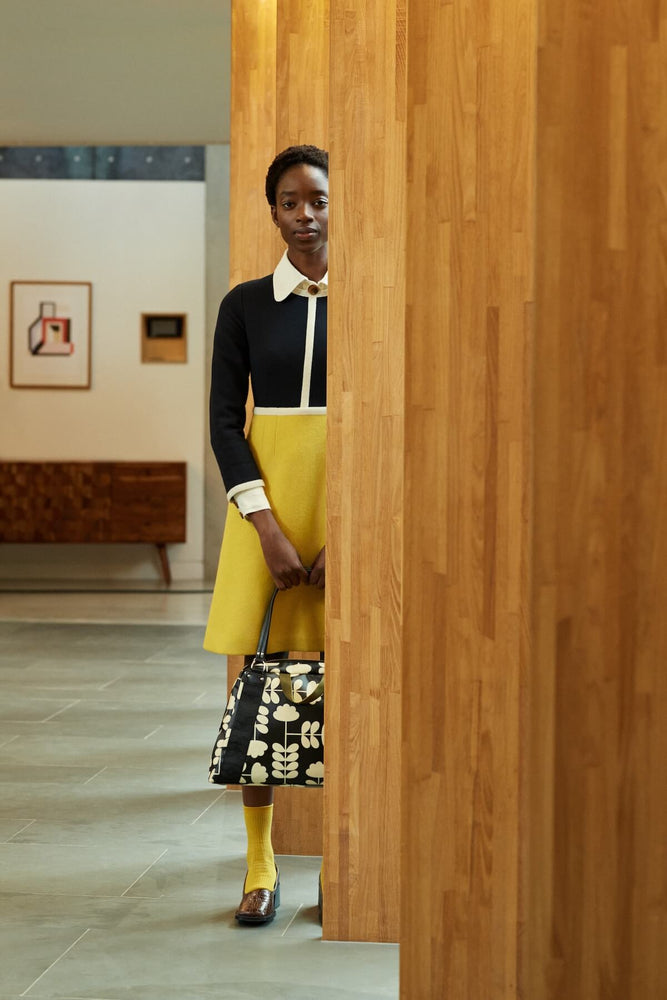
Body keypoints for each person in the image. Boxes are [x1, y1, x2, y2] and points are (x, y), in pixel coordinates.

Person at [204, 145, 328, 925]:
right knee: (261, 688)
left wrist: (358, 525)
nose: (306, 214)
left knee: (361, 686)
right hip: (269, 509)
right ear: (273, 210)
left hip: (348, 502)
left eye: (317, 198)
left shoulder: (372, 297)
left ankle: (356, 866)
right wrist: (267, 530)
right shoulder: (245, 305)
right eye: (290, 201)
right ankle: (260, 869)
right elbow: (223, 423)